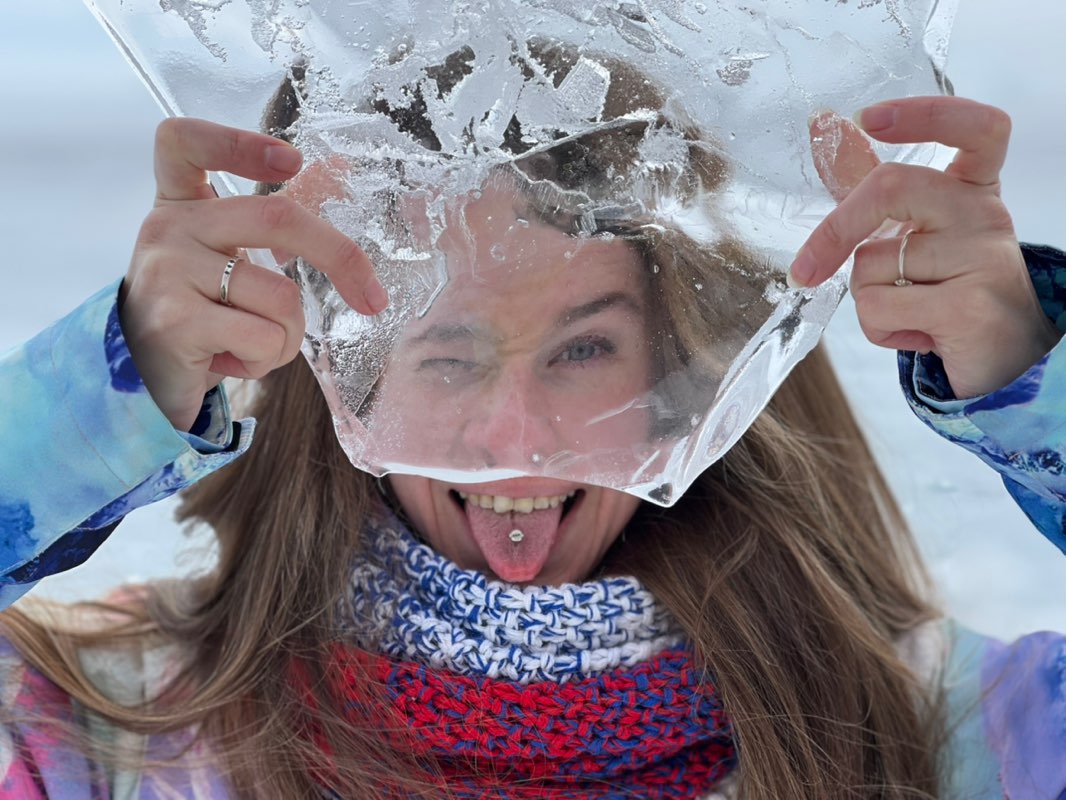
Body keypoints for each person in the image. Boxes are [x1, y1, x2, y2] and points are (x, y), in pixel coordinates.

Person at [0, 42, 1064, 800]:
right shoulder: (96, 736)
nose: (515, 435)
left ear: (688, 368)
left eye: (585, 348)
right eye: (445, 352)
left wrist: (1026, 372)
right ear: (333, 375)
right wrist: (109, 388)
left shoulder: (966, 738)